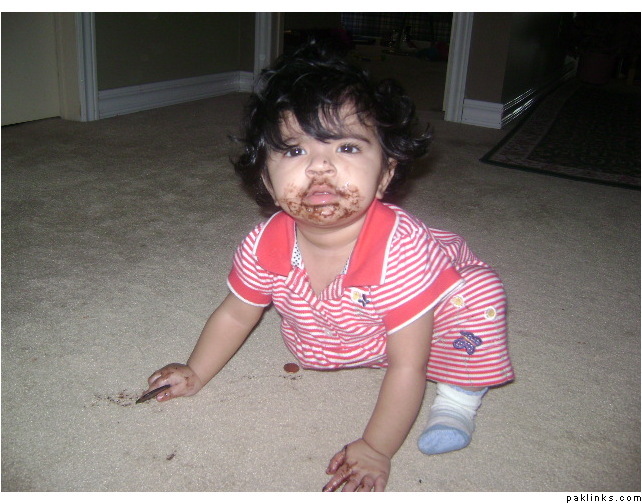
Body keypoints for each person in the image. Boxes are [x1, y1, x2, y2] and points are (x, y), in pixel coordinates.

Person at [142, 41, 514, 492]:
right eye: (294, 151)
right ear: (266, 180)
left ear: (385, 174)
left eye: (347, 147)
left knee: (478, 295)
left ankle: (458, 399)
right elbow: (236, 314)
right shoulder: (263, 244)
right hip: (361, 323)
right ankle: (363, 343)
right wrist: (196, 371)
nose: (320, 166)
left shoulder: (404, 254)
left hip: (437, 306)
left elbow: (408, 366)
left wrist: (376, 447)